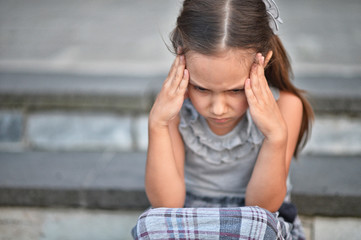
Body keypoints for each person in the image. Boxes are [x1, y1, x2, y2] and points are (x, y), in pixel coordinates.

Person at [132, 0, 313, 239]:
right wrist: (158, 124)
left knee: (258, 224)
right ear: (181, 61)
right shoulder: (173, 109)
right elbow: (166, 204)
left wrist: (275, 136)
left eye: (236, 90)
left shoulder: (286, 106)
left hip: (255, 219)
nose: (218, 109)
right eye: (201, 89)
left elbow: (263, 206)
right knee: (149, 225)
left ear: (263, 61)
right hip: (189, 214)